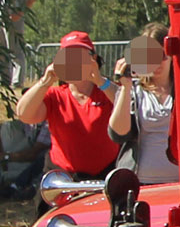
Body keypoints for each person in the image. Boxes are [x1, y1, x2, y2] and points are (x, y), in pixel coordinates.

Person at [17, 30, 118, 183]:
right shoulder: (55, 95)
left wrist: (99, 81)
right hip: (63, 177)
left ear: (94, 59)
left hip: (105, 174)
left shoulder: (107, 90)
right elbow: (24, 115)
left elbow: (129, 106)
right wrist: (45, 81)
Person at [110, 25, 178, 184]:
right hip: (140, 182)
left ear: (171, 55)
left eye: (161, 55)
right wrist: (125, 86)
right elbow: (118, 134)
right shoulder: (134, 91)